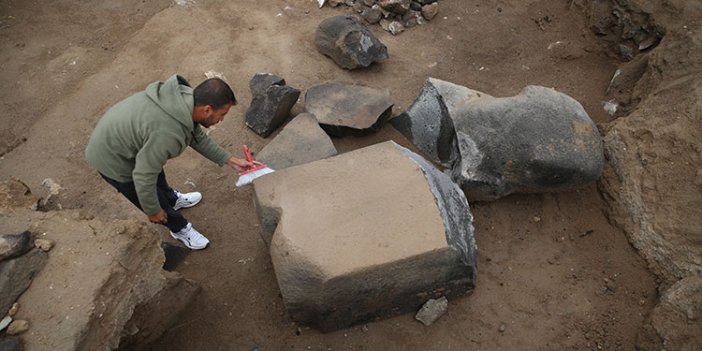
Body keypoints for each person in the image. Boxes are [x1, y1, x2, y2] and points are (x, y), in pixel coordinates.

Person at [85, 74, 252, 250]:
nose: (222, 119)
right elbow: (143, 176)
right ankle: (179, 228)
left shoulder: (183, 99)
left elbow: (196, 137)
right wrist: (152, 210)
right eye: (222, 114)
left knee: (155, 165)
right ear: (207, 109)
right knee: (152, 193)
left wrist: (230, 160)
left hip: (127, 143)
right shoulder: (167, 133)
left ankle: (172, 200)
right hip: (112, 160)